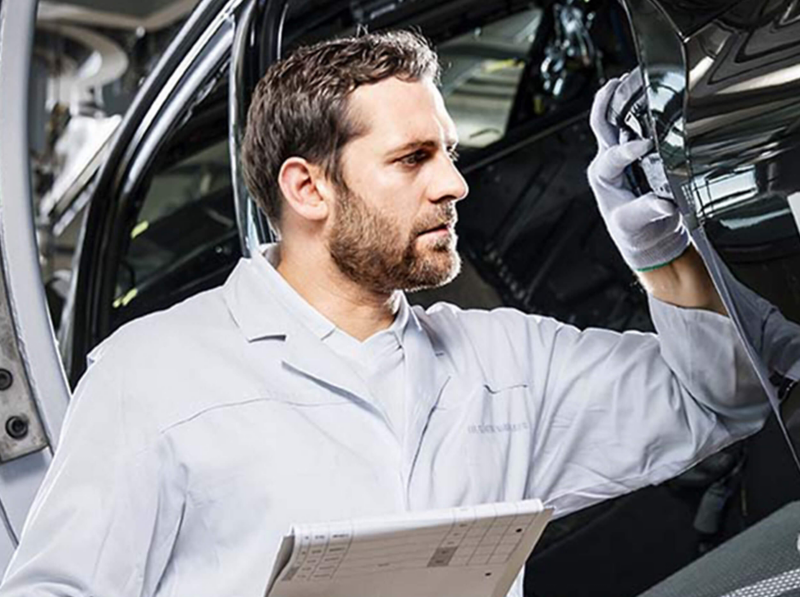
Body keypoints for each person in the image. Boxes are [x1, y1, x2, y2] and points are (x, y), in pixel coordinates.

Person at [0, 30, 767, 597]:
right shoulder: (154, 372)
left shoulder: (505, 359)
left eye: (451, 153)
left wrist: (661, 248)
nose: (455, 185)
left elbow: (716, 399)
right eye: (413, 159)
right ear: (308, 189)